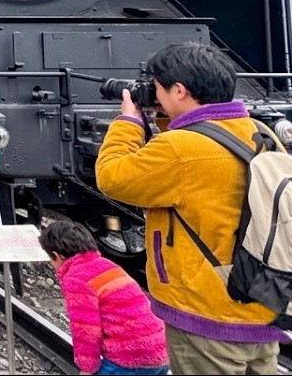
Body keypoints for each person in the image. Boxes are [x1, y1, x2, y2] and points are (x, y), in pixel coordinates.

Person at [96, 42, 289, 374]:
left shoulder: (180, 148)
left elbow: (112, 178)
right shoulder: (260, 131)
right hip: (261, 301)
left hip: (206, 317)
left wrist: (128, 123)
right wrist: (165, 115)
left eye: (157, 88)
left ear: (180, 90)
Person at [39, 220, 169, 375]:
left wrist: (86, 369)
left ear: (57, 256)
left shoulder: (76, 278)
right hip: (161, 350)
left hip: (131, 357)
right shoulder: (106, 264)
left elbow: (86, 329)